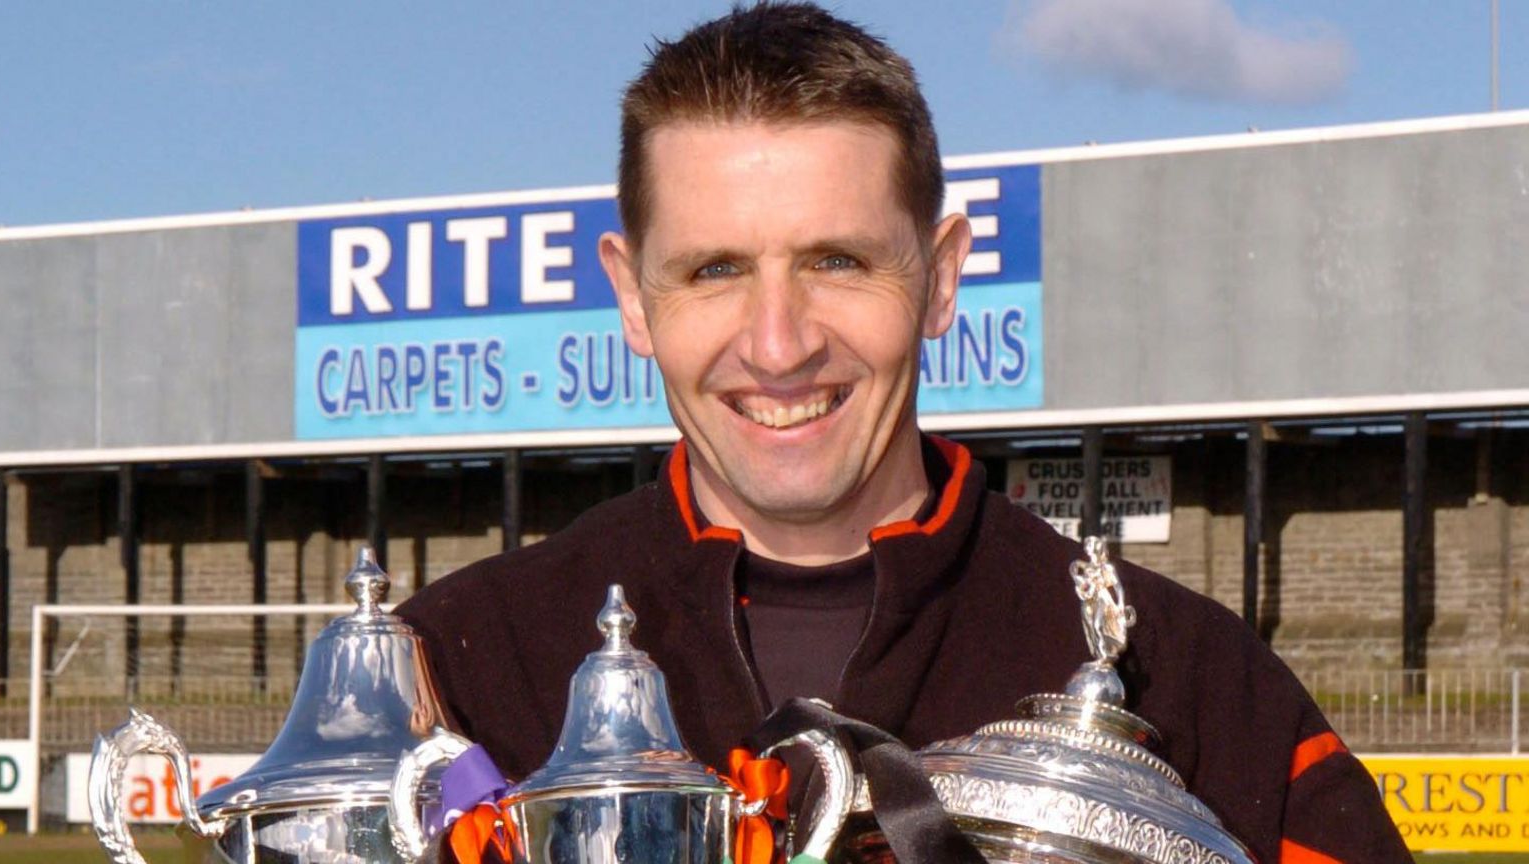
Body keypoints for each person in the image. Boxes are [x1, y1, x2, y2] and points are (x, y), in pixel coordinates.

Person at [397, 3, 1409, 861]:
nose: (779, 343)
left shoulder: (1195, 683)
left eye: (837, 261)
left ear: (941, 278)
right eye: (715, 270)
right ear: (631, 295)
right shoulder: (460, 671)